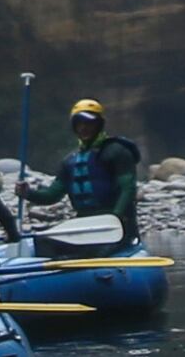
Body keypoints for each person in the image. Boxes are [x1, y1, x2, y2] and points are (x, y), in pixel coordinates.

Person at [31, 96, 146, 254]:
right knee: (43, 244)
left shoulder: (117, 151)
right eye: (79, 123)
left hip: (117, 227)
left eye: (89, 123)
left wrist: (116, 216)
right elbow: (51, 196)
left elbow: (128, 189)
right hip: (85, 226)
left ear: (99, 125)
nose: (83, 128)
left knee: (96, 251)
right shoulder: (70, 161)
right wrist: (27, 193)